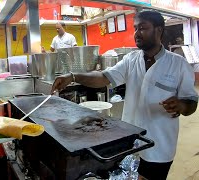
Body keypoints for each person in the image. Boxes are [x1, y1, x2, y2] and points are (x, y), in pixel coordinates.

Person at [51, 11, 198, 180]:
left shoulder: (178, 65)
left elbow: (192, 102)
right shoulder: (131, 60)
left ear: (159, 30)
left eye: (143, 28)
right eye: (135, 28)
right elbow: (104, 77)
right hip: (129, 143)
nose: (137, 33)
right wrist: (73, 76)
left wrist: (181, 105)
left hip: (160, 146)